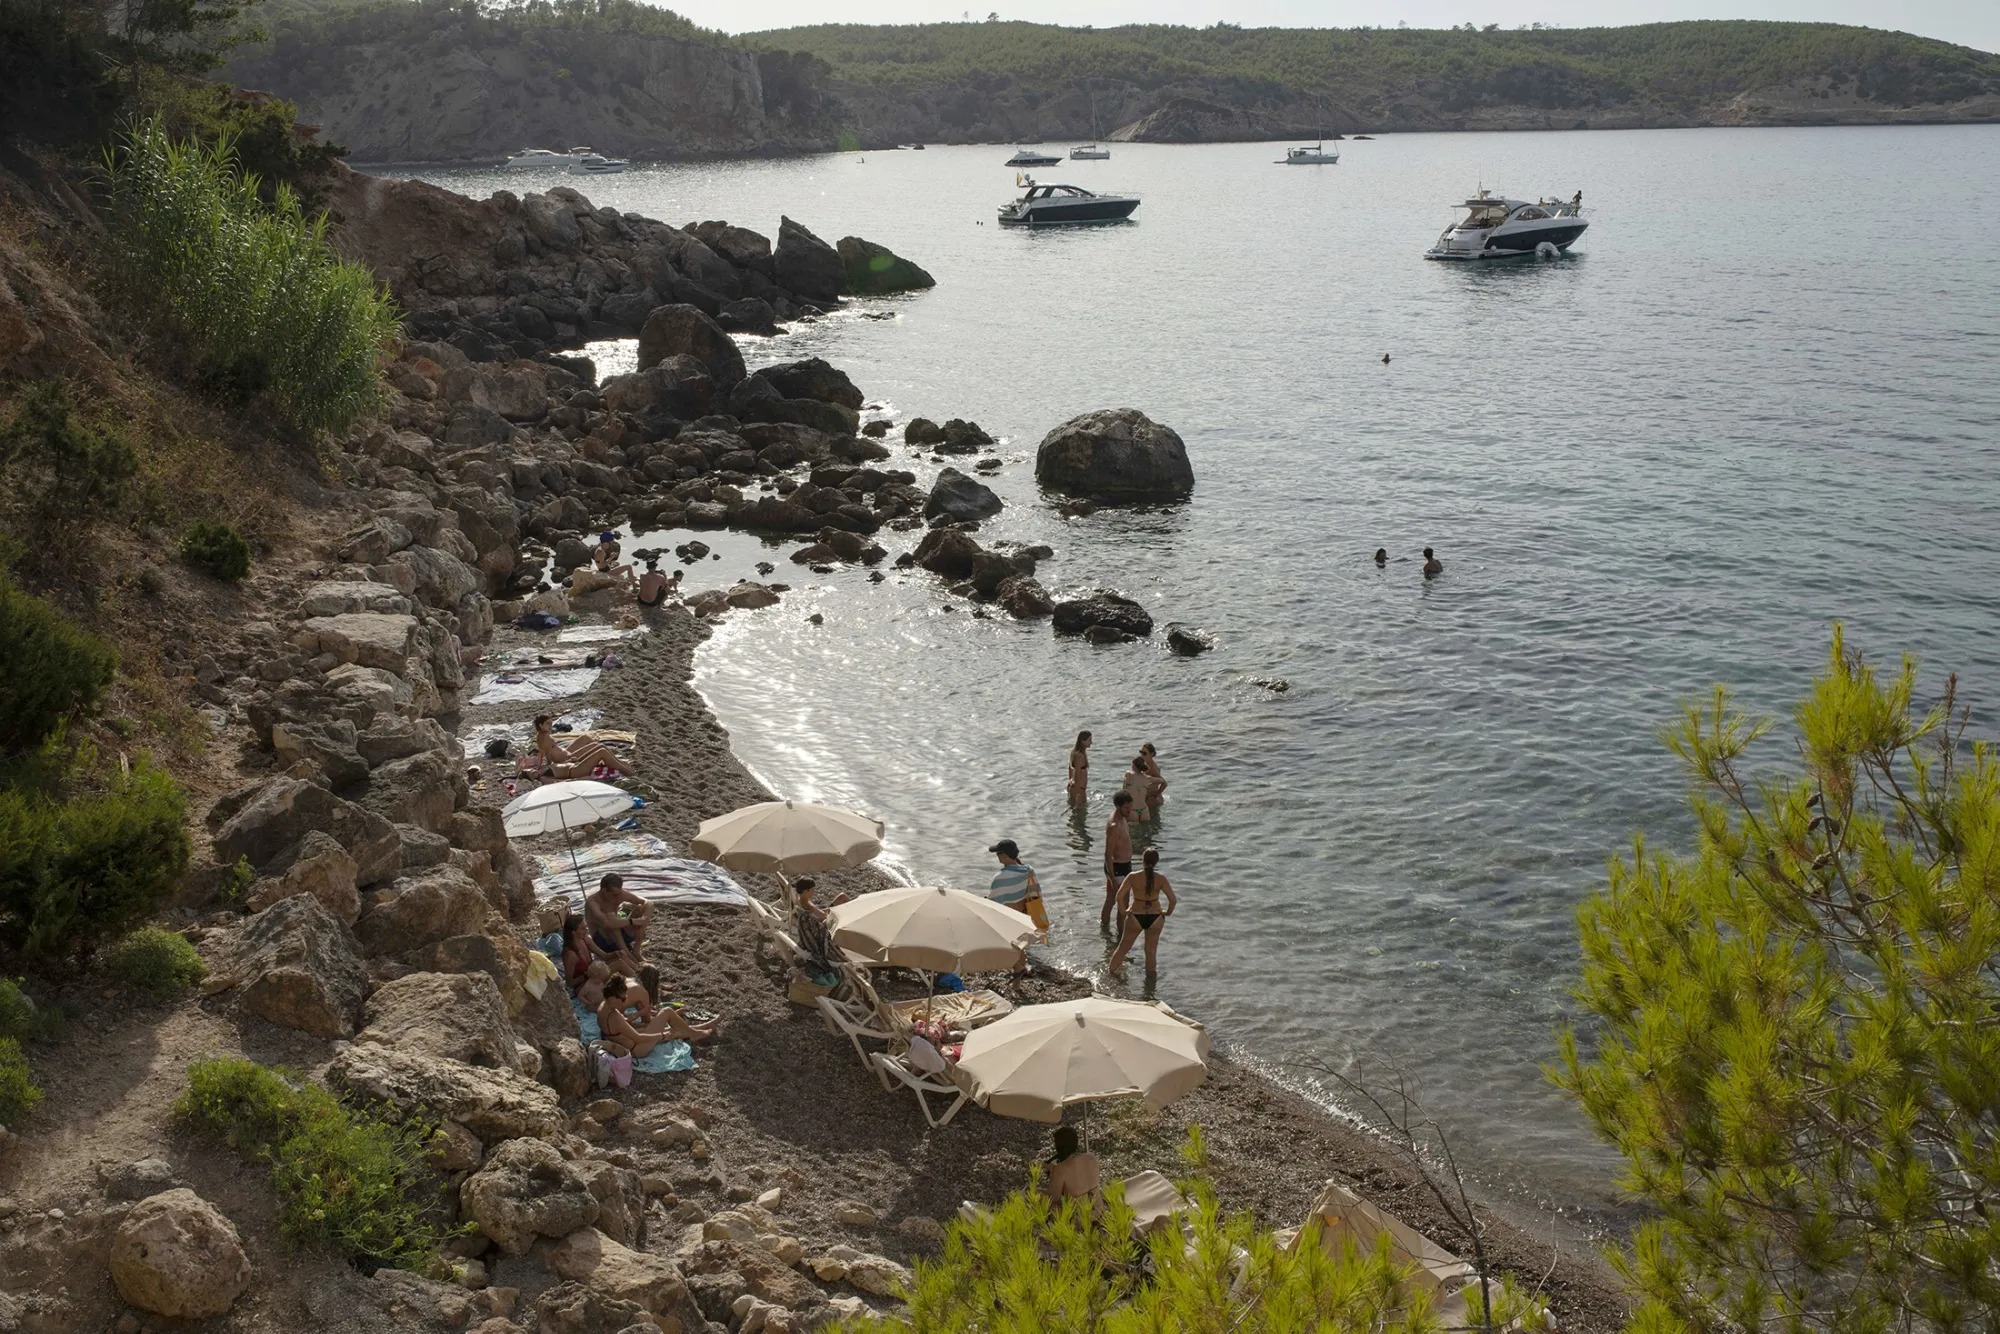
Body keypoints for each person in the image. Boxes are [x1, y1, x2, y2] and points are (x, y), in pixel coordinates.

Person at [596, 975, 709, 1056]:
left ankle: (694, 1030)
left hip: (626, 1044)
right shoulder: (615, 1016)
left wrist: (640, 1014)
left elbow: (622, 1025)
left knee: (670, 1030)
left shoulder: (602, 1007)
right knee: (667, 1012)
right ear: (612, 998)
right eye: (623, 998)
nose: (625, 1001)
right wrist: (661, 1035)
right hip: (637, 1050)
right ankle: (694, 1033)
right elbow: (638, 1038)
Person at [1107, 849, 1176, 975]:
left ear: (1142, 860)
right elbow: (1173, 900)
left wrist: (1124, 912)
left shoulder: (1133, 877)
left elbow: (1119, 897)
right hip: (1156, 917)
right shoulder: (1161, 879)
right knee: (1151, 952)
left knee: (1123, 948)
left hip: (1135, 916)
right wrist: (1167, 912)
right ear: (1156, 862)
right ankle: (1150, 984)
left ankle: (1109, 975)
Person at [633, 963, 719, 1042]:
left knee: (667, 1023)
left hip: (630, 1032)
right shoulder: (642, 993)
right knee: (669, 1026)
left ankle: (699, 1028)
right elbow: (647, 1021)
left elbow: (636, 1021)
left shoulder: (634, 986)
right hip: (634, 1041)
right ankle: (696, 1032)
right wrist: (665, 1017)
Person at [586, 872, 651, 974]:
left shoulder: (619, 894)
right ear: (604, 891)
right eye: (614, 895)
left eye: (619, 893)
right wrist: (633, 921)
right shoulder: (593, 902)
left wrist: (642, 926)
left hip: (619, 935)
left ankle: (636, 951)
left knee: (640, 908)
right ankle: (628, 955)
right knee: (611, 917)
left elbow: (648, 903)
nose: (617, 897)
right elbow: (607, 923)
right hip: (603, 941)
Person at [534, 714, 635, 778]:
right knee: (598, 747)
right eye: (548, 724)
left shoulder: (543, 735)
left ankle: (616, 760)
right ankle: (618, 763)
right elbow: (547, 754)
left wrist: (540, 765)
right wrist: (548, 766)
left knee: (585, 738)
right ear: (540, 725)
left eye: (551, 723)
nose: (550, 726)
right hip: (567, 758)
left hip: (566, 753)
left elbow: (543, 752)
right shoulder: (544, 739)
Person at [791, 877, 850, 978]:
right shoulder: (806, 904)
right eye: (812, 890)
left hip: (817, 918)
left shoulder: (800, 900)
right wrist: (833, 911)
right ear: (805, 891)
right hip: (822, 924)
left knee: (842, 896)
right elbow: (823, 917)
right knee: (843, 899)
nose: (814, 892)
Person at [988, 839, 1049, 936]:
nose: (997, 856)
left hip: (1010, 919)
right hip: (1027, 916)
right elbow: (1037, 894)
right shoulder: (1029, 870)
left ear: (1003, 856)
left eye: (998, 853)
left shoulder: (999, 878)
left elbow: (992, 904)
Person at [1041, 1124, 1102, 1207]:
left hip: (1079, 1213)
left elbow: (1054, 1197)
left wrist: (1039, 1190)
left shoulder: (1061, 1168)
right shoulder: (1091, 1157)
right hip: (1098, 1209)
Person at [1102, 792, 1135, 933]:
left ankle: (1106, 931)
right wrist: (1112, 878)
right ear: (1118, 806)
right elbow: (1108, 854)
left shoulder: (1123, 818)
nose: (1129, 810)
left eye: (1130, 807)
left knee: (1112, 900)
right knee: (1121, 902)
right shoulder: (1114, 825)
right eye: (1126, 808)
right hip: (1116, 867)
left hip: (1125, 865)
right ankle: (1120, 935)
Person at [560, 914, 595, 992]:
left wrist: (616, 953)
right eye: (583, 928)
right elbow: (569, 983)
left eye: (586, 927)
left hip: (595, 979)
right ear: (573, 932)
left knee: (619, 962)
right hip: (582, 987)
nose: (587, 930)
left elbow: (604, 955)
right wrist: (586, 976)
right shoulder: (571, 955)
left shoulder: (586, 940)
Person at [1066, 730, 1092, 807]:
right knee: (1080, 813)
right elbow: (1077, 775)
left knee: (1075, 812)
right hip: (1079, 789)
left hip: (1076, 788)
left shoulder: (1074, 752)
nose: (1091, 742)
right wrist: (1078, 795)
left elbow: (1070, 769)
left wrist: (1070, 782)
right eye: (1089, 740)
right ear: (1083, 741)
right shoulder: (1080, 756)